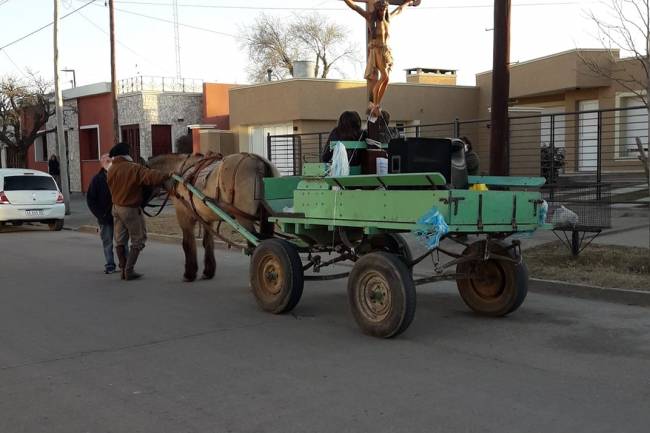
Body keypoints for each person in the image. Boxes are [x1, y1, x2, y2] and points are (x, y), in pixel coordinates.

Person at [107, 142, 172, 281]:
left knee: (120, 240)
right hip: (130, 209)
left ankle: (123, 268)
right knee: (138, 240)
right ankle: (129, 271)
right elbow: (150, 176)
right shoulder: (133, 168)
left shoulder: (111, 169)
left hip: (116, 208)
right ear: (127, 154)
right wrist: (167, 175)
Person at [343, 0, 416, 116]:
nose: (383, 12)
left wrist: (409, 2)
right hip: (376, 50)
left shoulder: (388, 20)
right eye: (381, 10)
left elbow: (399, 9)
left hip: (386, 51)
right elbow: (356, 7)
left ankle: (376, 104)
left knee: (386, 79)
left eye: (385, 10)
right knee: (385, 76)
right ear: (377, 10)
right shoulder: (370, 18)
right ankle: (375, 104)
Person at [86, 154, 118, 274]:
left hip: (119, 216)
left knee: (122, 243)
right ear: (102, 163)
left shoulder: (118, 176)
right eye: (108, 161)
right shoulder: (97, 179)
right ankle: (110, 265)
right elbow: (91, 199)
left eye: (112, 160)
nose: (111, 163)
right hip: (105, 218)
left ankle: (126, 265)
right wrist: (100, 215)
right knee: (108, 243)